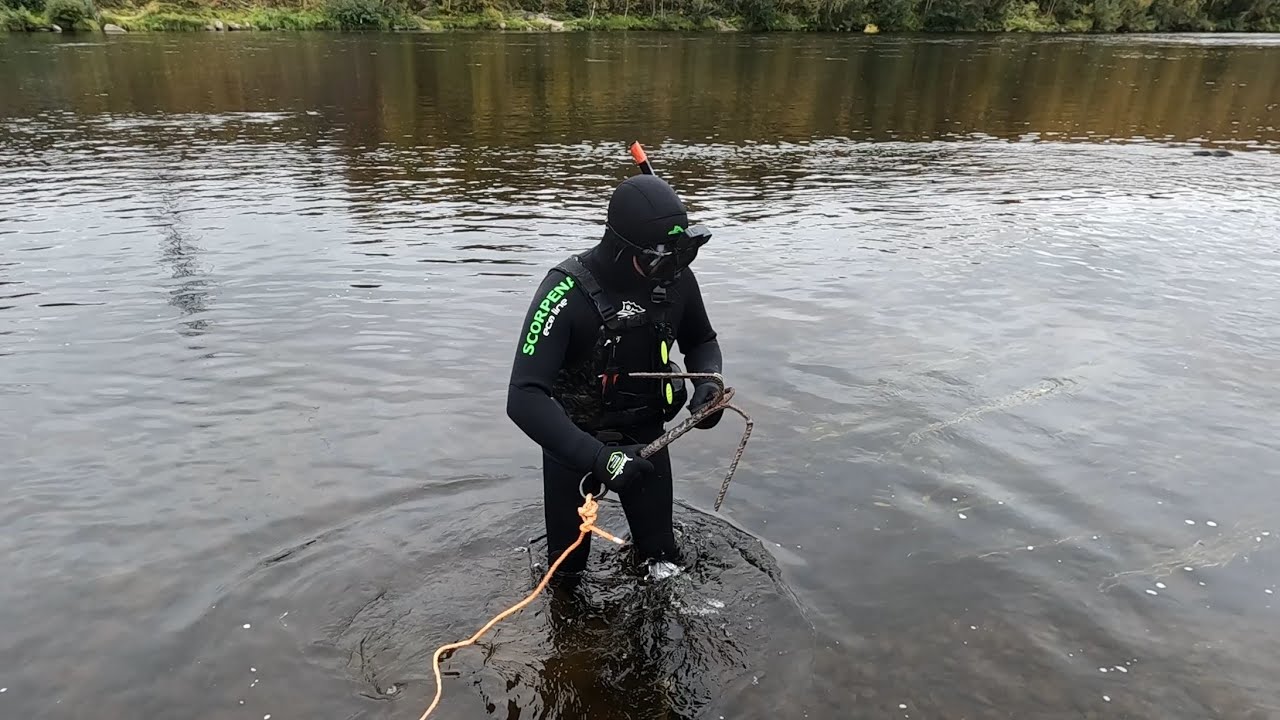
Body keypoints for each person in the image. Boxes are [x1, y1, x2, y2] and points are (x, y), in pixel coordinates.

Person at [506, 171, 725, 582]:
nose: (671, 271)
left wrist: (708, 383)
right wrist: (598, 457)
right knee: (565, 575)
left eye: (680, 259)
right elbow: (523, 396)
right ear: (623, 250)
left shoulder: (676, 280)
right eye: (658, 261)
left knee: (664, 564)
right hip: (573, 448)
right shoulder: (564, 292)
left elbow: (702, 340)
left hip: (647, 440)